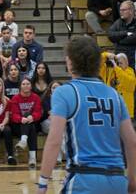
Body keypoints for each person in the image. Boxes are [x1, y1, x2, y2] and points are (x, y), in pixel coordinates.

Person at [37, 36, 136, 194]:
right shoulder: (114, 94)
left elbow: (54, 141)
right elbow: (131, 142)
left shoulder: (64, 92)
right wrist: (132, 182)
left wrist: (42, 184)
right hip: (117, 179)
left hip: (83, 178)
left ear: (69, 62)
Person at [10, 77, 41, 168]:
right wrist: (21, 119)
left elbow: (38, 112)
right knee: (29, 125)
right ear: (20, 86)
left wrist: (33, 117)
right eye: (23, 84)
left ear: (31, 86)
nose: (26, 86)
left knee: (31, 126)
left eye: (28, 84)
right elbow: (14, 114)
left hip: (32, 123)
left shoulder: (36, 97)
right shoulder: (15, 98)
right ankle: (32, 158)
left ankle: (23, 141)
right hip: (18, 126)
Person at [108, 1, 136, 69]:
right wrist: (125, 33)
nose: (121, 12)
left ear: (131, 11)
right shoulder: (118, 22)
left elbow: (133, 39)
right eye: (120, 10)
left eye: (123, 10)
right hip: (119, 57)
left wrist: (118, 40)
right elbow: (110, 35)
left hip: (133, 57)